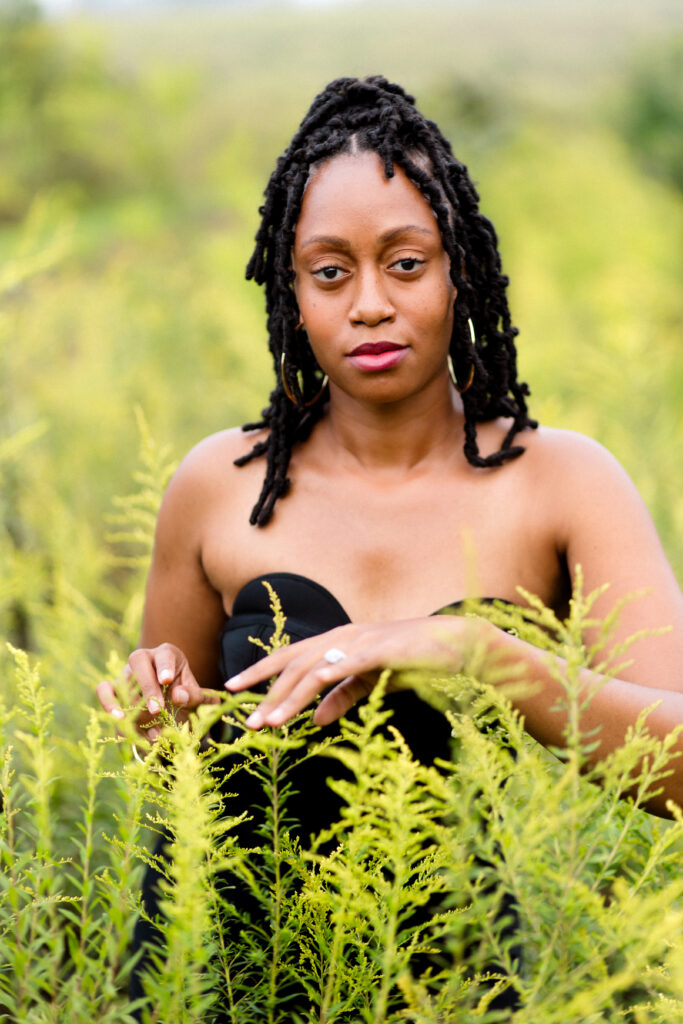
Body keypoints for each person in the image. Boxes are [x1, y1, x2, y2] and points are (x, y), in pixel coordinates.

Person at [96, 73, 683, 1004]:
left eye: (405, 263)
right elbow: (170, 757)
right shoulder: (218, 483)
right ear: (291, 292)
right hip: (223, 980)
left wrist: (474, 651)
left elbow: (677, 767)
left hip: (457, 988)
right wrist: (152, 705)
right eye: (329, 272)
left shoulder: (563, 481)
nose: (368, 302)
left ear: (460, 271)